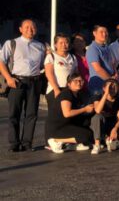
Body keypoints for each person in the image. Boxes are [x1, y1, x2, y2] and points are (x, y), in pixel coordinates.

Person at [0, 19, 46, 152]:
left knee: (31, 113)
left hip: (35, 82)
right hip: (17, 82)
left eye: (32, 27)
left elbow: (43, 65)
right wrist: (8, 78)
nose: (30, 30)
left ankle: (27, 142)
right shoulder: (12, 43)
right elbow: (1, 62)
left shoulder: (40, 46)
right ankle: (14, 143)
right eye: (26, 27)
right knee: (14, 113)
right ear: (20, 29)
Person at [46, 73, 94, 153]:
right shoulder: (66, 93)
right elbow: (67, 113)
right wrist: (84, 109)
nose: (79, 83)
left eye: (81, 81)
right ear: (69, 84)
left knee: (88, 130)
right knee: (86, 135)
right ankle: (56, 141)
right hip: (57, 128)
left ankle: (71, 144)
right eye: (75, 81)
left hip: (67, 125)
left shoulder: (77, 94)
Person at [44, 33, 77, 139]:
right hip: (55, 90)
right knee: (54, 118)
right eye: (61, 43)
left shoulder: (72, 57)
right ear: (55, 45)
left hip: (68, 91)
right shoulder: (51, 56)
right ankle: (49, 140)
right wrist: (56, 89)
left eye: (66, 42)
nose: (64, 45)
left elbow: (75, 74)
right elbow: (49, 73)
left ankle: (64, 140)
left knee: (67, 118)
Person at [90, 78, 119, 154]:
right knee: (97, 117)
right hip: (100, 125)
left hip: (112, 124)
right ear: (104, 88)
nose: (112, 89)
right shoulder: (97, 97)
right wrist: (106, 94)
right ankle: (97, 144)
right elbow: (98, 110)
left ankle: (109, 141)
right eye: (110, 87)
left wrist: (115, 129)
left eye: (115, 87)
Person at [87, 24, 118, 98]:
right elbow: (98, 69)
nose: (104, 34)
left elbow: (112, 63)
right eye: (101, 32)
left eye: (106, 32)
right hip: (98, 86)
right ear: (94, 33)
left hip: (109, 84)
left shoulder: (107, 47)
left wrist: (115, 73)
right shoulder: (93, 49)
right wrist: (111, 80)